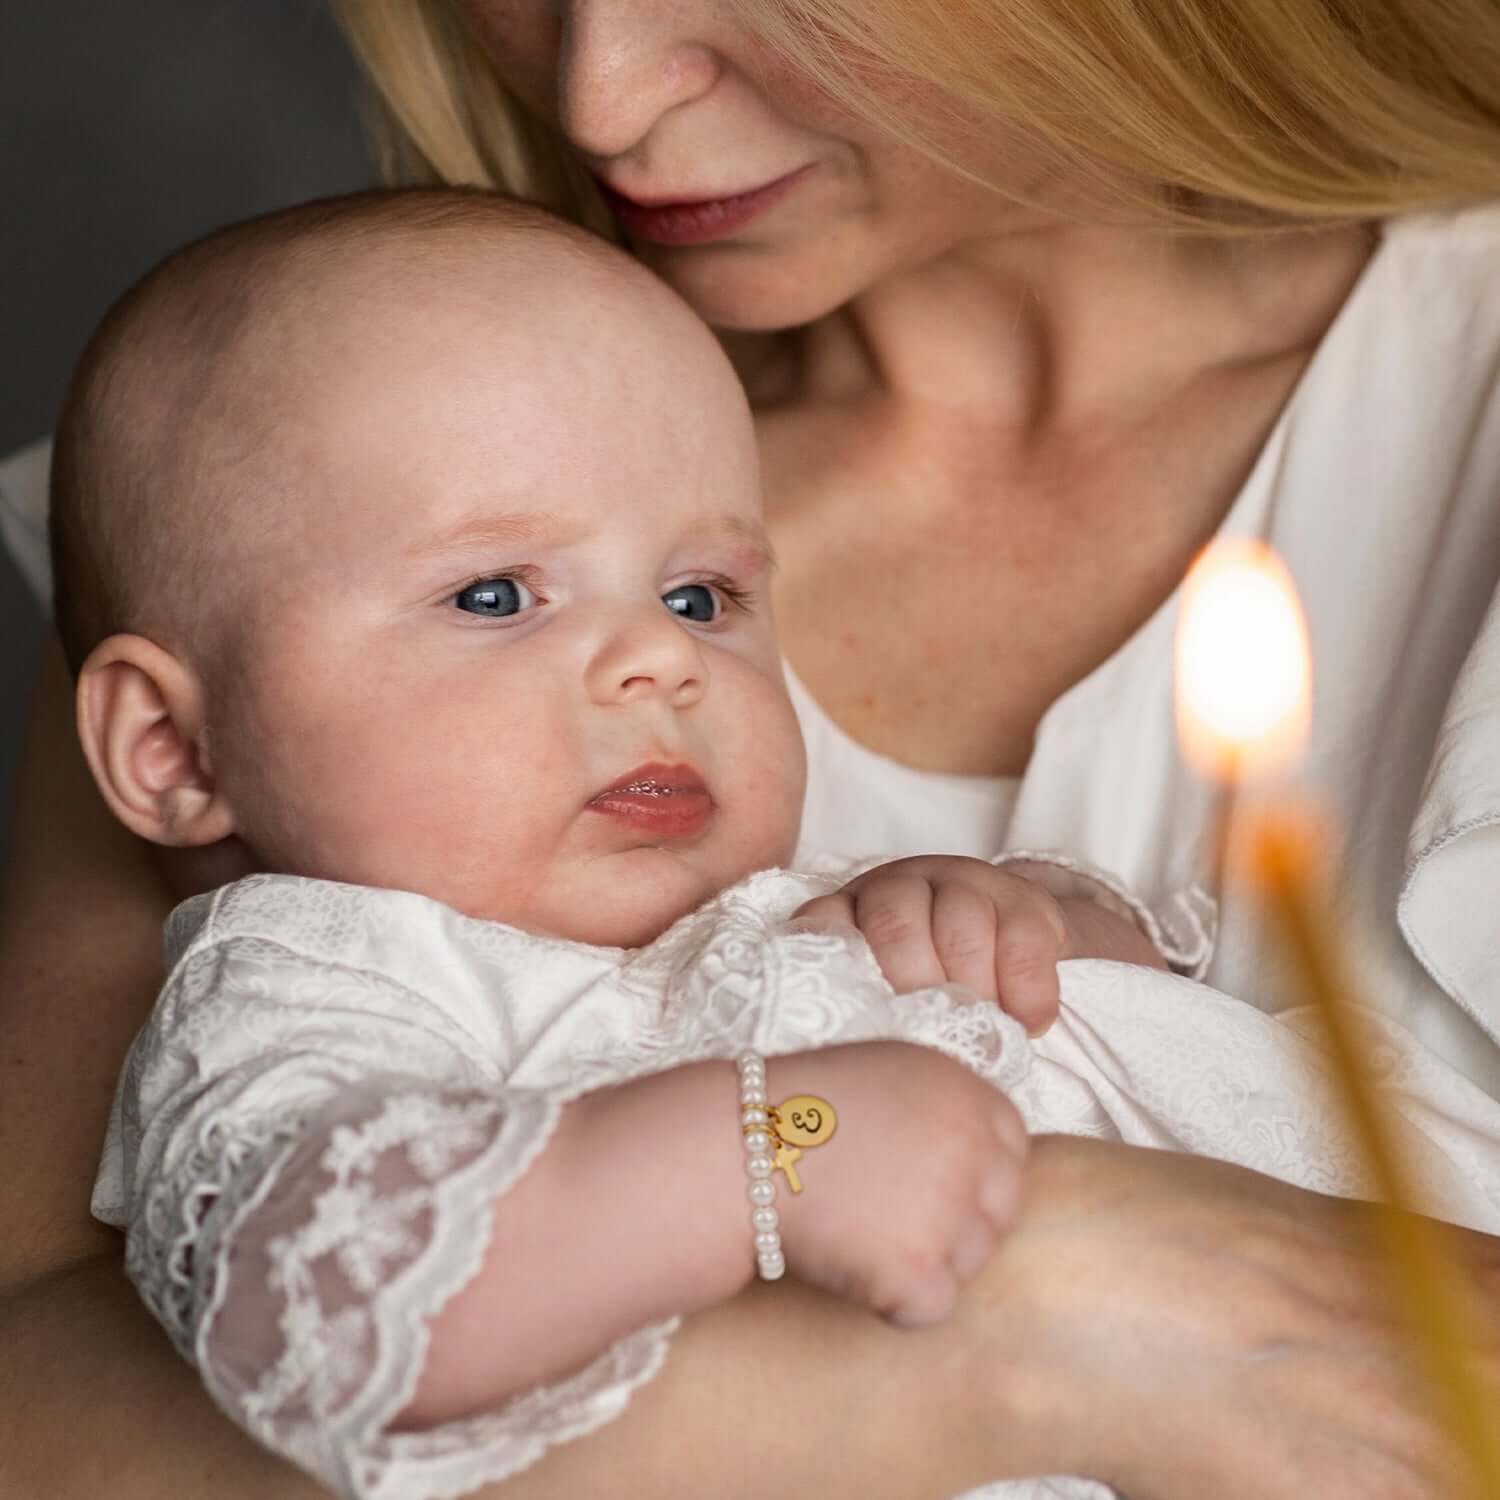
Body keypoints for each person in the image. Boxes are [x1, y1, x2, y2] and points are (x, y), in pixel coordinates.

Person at [4, 0, 1500, 1496]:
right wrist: (1028, 1310)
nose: (601, 99)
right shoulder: (280, 490)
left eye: (708, 597)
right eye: (491, 598)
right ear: (165, 744)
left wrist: (1044, 928)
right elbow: (179, 1347)